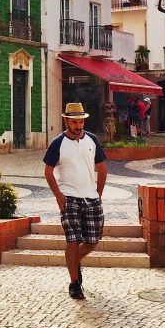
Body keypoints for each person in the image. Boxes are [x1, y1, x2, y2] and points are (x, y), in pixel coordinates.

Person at [43, 102, 107, 301]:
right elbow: (48, 171)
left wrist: (98, 192)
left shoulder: (92, 140)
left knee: (92, 241)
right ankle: (74, 283)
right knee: (72, 241)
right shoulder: (58, 143)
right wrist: (59, 196)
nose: (79, 126)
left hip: (92, 198)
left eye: (81, 122)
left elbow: (102, 168)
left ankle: (73, 262)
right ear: (66, 121)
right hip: (69, 197)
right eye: (74, 122)